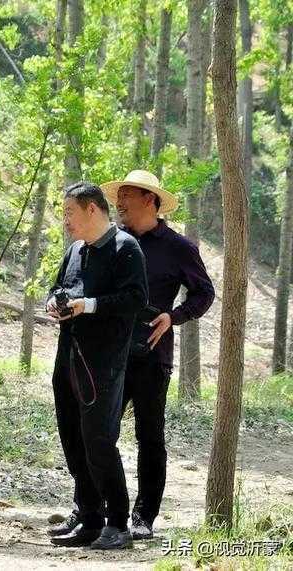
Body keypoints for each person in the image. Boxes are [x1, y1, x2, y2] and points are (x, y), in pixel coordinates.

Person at [101, 169, 215, 539]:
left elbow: (204, 292)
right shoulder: (112, 241)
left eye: (127, 196)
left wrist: (174, 316)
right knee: (98, 433)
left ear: (149, 200)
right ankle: (96, 510)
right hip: (109, 355)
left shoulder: (178, 247)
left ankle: (143, 517)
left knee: (149, 437)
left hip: (152, 355)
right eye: (118, 197)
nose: (119, 203)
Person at [45, 182, 148, 550]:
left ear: (92, 209)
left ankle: (118, 523)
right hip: (68, 358)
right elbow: (58, 287)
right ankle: (89, 518)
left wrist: (89, 305)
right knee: (72, 438)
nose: (65, 220)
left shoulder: (126, 248)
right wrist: (53, 303)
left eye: (69, 212)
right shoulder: (74, 250)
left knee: (99, 441)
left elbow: (136, 298)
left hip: (103, 364)